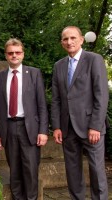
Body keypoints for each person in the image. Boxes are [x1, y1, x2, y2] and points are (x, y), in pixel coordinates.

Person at [51, 26, 109, 199]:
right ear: (62, 43)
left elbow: (101, 95)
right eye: (65, 39)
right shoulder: (58, 66)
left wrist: (96, 126)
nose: (69, 42)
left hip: (91, 128)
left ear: (81, 39)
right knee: (72, 172)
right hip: (67, 129)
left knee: (97, 171)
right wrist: (56, 127)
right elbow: (56, 99)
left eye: (73, 38)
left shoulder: (94, 60)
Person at [0, 38, 48, 199]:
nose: (14, 55)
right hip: (8, 128)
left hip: (29, 128)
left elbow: (42, 105)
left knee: (30, 170)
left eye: (17, 52)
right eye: (11, 53)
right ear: (6, 55)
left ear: (23, 54)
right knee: (14, 169)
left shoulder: (34, 74)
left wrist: (43, 131)